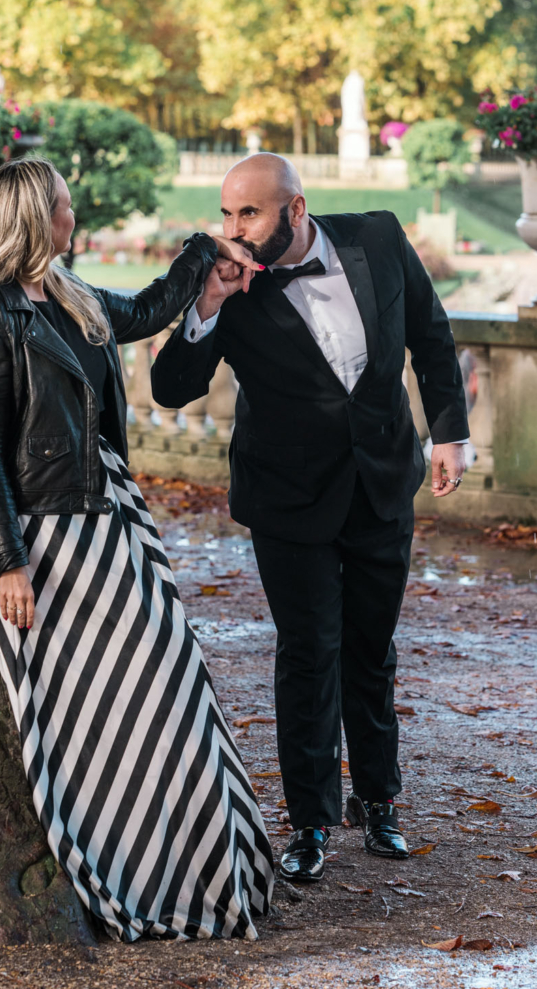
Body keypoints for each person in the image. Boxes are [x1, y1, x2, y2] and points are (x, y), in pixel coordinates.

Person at [0, 158, 274, 941]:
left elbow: (150, 309)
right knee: (90, 722)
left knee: (166, 694)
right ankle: (120, 881)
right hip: (46, 542)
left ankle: (194, 876)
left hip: (110, 521)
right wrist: (5, 559)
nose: (72, 211)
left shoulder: (69, 294)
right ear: (35, 218)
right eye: (62, 203)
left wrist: (203, 257)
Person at [150, 154, 469, 884]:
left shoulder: (378, 239)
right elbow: (170, 388)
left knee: (370, 647)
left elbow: (430, 332)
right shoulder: (227, 285)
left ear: (294, 211)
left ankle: (379, 801)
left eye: (248, 214)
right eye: (226, 214)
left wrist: (449, 431)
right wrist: (206, 305)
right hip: (287, 496)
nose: (232, 229)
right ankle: (310, 822)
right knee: (307, 652)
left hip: (383, 482)